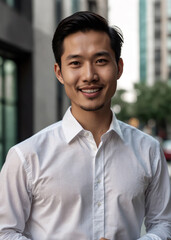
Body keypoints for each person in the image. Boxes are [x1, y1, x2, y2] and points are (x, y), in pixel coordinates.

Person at [0, 11, 171, 240]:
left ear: (118, 67)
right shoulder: (26, 156)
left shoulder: (148, 150)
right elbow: (5, 231)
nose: (89, 75)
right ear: (59, 72)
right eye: (76, 63)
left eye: (100, 61)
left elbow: (163, 223)